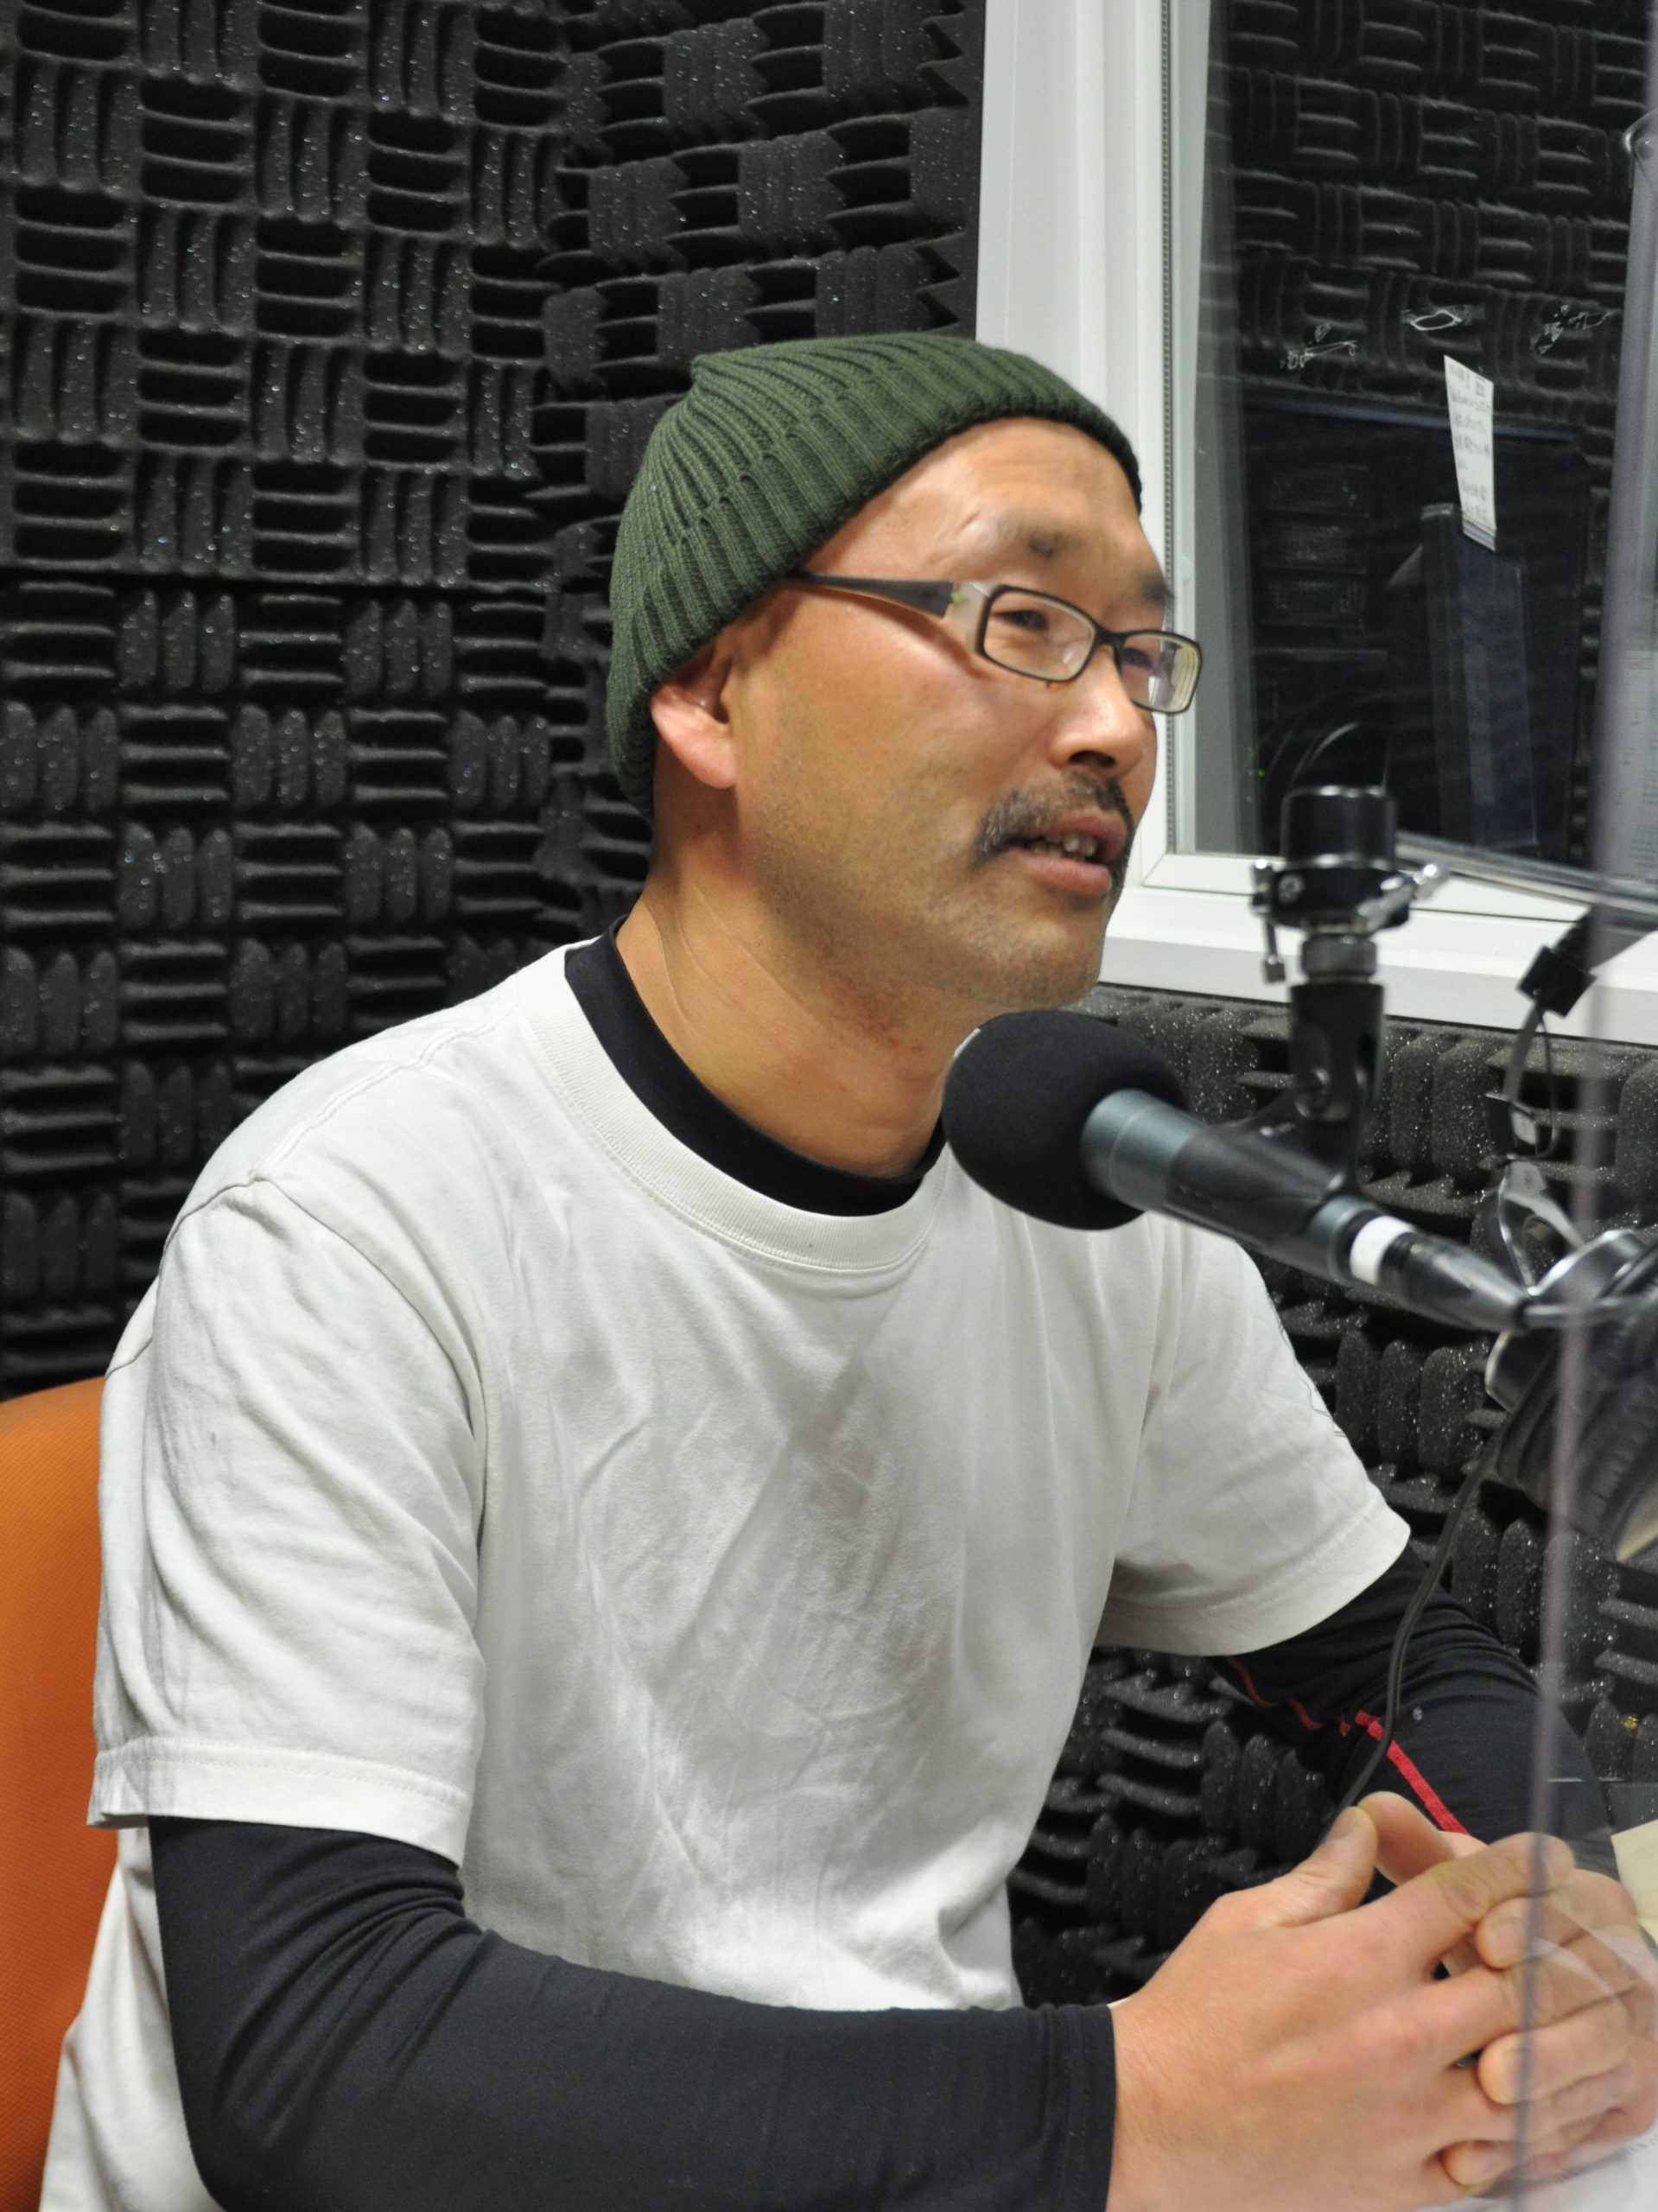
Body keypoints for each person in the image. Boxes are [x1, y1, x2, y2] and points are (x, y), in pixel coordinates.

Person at [41, 333, 1657, 2212]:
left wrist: (1549, 1921)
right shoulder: (351, 1223)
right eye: (1021, 621)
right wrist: (1123, 2111)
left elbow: (1392, 1656)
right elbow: (319, 2059)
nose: (1115, 726)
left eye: (1143, 653)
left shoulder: (1095, 1199)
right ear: (711, 691)